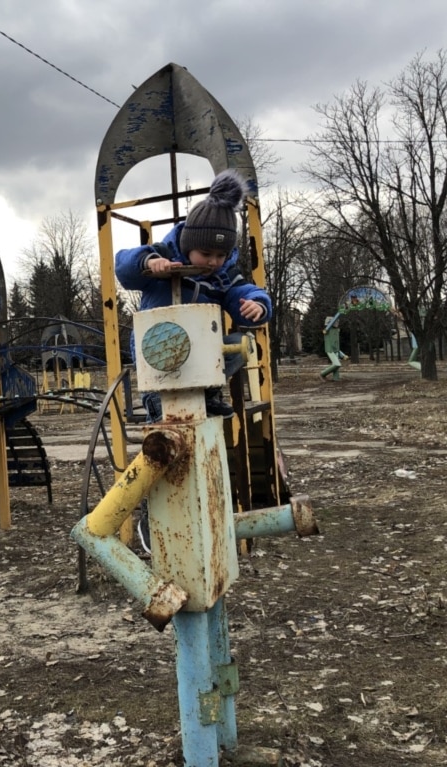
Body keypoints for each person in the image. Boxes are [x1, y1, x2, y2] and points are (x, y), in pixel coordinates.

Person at [114, 168, 272, 554]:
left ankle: (210, 394)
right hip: (160, 367)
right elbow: (123, 265)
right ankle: (153, 519)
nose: (214, 261)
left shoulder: (221, 276)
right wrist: (148, 263)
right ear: (187, 245)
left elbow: (245, 291)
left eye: (221, 254)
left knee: (236, 344)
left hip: (199, 365)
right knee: (163, 447)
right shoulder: (164, 259)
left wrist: (258, 305)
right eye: (207, 254)